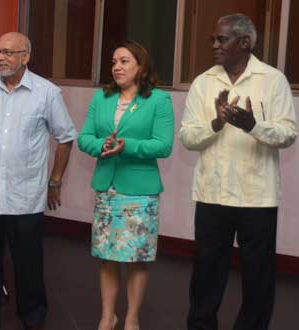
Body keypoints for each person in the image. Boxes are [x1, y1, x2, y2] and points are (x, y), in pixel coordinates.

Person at [180, 14, 297, 330]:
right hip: (211, 195)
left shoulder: (272, 80)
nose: (215, 45)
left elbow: (288, 134)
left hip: (256, 197)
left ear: (244, 42)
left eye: (222, 39)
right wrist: (216, 123)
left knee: (258, 276)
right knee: (206, 273)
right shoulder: (204, 82)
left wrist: (253, 125)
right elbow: (188, 137)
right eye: (213, 40)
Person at [0, 32, 77, 330]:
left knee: (28, 267)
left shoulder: (47, 93)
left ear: (26, 57)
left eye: (9, 52)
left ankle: (33, 321)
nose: (0, 57)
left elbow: (65, 138)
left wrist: (55, 180)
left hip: (25, 197)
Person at [78, 40, 174, 330]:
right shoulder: (101, 98)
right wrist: (101, 144)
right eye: (114, 62)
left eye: (124, 61)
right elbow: (84, 137)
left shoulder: (158, 100)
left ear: (141, 67)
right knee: (106, 257)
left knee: (136, 257)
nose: (116, 67)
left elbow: (164, 145)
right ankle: (108, 316)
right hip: (106, 188)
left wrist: (126, 146)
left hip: (140, 191)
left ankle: (132, 318)